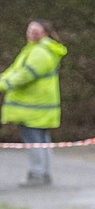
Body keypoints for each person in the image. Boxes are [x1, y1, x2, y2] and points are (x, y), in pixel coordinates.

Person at [0, 20, 67, 187]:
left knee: (34, 141)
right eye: (30, 30)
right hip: (38, 108)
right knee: (42, 140)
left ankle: (38, 174)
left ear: (45, 32)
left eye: (35, 31)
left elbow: (24, 75)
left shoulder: (40, 52)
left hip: (34, 108)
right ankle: (42, 173)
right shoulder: (34, 50)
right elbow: (14, 71)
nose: (31, 34)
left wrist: (3, 85)